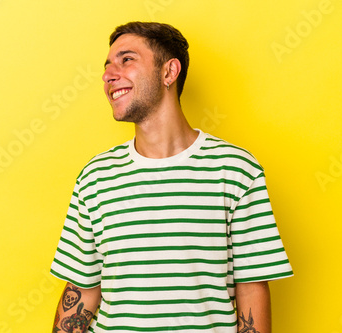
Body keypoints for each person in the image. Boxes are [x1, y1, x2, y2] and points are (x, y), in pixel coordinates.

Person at [50, 21, 293, 333]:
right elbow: (82, 290)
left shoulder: (235, 170)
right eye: (108, 65)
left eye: (126, 59)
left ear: (169, 72)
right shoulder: (95, 177)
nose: (109, 74)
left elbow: (251, 288)